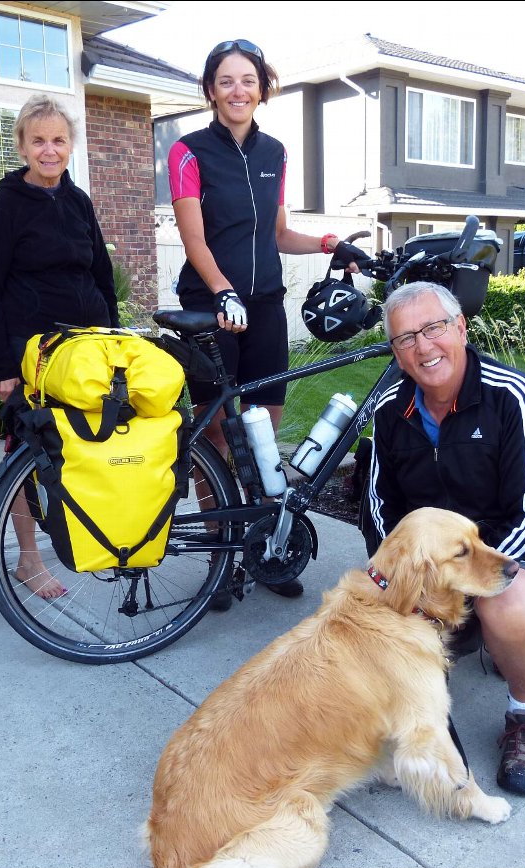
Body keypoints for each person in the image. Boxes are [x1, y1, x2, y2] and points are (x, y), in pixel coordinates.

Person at [361, 280, 525, 798]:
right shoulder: (390, 413)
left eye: (434, 328)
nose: (423, 347)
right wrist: (401, 582)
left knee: (504, 606)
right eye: (405, 339)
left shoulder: (514, 397)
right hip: (441, 567)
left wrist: (458, 587)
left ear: (461, 328)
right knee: (366, 609)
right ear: (395, 353)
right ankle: (417, 702)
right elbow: (380, 513)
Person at [168, 38, 368, 610]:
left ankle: (266, 545)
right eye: (226, 81)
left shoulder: (275, 152)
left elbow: (280, 234)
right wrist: (223, 290)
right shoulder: (188, 152)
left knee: (262, 431)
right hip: (210, 306)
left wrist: (331, 242)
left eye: (248, 81)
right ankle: (217, 554)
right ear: (211, 90)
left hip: (264, 306)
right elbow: (194, 239)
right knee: (217, 436)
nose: (238, 90)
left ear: (262, 88)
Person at [0, 93, 118, 600]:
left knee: (82, 442)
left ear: (70, 145)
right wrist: (2, 366)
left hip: (85, 345)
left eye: (58, 140)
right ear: (22, 146)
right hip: (31, 349)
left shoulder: (78, 202)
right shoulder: (9, 203)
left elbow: (101, 274)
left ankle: (89, 536)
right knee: (26, 453)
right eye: (38, 141)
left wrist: (113, 342)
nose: (49, 150)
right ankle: (29, 562)